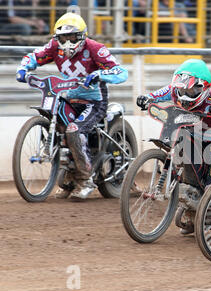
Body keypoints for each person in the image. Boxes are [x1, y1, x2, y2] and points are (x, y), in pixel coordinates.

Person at [15, 12, 128, 199]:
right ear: (56, 37)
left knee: (74, 129)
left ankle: (85, 180)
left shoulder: (95, 48)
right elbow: (34, 56)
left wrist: (100, 74)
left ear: (82, 35)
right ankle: (71, 170)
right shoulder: (54, 47)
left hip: (94, 101)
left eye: (71, 36)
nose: (67, 41)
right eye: (62, 37)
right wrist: (23, 68)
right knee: (59, 124)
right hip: (69, 98)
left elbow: (120, 71)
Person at [136, 58, 211, 235]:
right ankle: (196, 215)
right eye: (182, 87)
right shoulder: (174, 91)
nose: (184, 92)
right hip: (191, 138)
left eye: (189, 89)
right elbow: (156, 95)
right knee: (187, 180)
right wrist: (146, 98)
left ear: (202, 87)